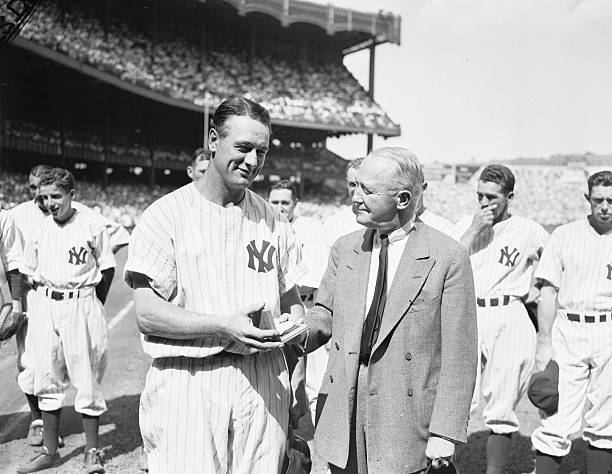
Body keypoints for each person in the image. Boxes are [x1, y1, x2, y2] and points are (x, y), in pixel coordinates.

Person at [124, 97, 305, 473]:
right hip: (190, 377)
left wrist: (292, 325)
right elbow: (147, 314)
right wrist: (222, 325)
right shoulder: (165, 216)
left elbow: (292, 301)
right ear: (212, 140)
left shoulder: (273, 220)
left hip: (263, 379)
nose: (253, 161)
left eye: (262, 151)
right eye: (242, 148)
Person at [291, 147, 478, 473]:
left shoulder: (447, 255)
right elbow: (325, 313)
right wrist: (294, 329)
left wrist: (445, 432)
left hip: (405, 413)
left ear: (403, 199)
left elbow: (460, 356)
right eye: (355, 186)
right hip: (344, 407)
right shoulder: (345, 248)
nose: (355, 197)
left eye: (368, 190)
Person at [10, 164, 129, 448]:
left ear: (71, 194)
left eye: (56, 196)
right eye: (44, 197)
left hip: (81, 302)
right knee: (45, 374)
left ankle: (92, 451)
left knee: (86, 378)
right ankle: (50, 450)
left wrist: (91, 303)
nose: (49, 203)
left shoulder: (91, 222)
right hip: (45, 304)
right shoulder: (38, 226)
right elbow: (27, 270)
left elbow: (107, 267)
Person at [453, 164, 549, 474]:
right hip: (469, 310)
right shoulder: (465, 224)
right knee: (456, 396)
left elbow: (555, 264)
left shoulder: (529, 229)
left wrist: (538, 287)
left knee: (503, 400)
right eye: (480, 195)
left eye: (492, 197)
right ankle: (443, 465)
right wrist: (474, 231)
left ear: (510, 196)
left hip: (510, 311)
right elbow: (447, 263)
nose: (484, 203)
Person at [531, 170, 612, 474]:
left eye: (611, 201)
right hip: (569, 325)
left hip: (608, 327)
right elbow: (548, 291)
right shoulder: (565, 235)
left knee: (607, 416)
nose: (605, 206)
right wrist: (544, 341)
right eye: (599, 200)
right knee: (557, 412)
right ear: (587, 199)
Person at [268, 180, 328, 425]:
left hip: (307, 308)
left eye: (285, 202)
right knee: (279, 378)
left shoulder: (309, 228)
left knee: (314, 382)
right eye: (275, 202)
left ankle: (322, 446)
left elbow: (310, 278)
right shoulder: (263, 226)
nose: (280, 207)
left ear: (295, 204)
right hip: (276, 313)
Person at [322, 158, 364, 249]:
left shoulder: (383, 223)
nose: (357, 191)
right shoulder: (333, 224)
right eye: (352, 184)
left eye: (362, 185)